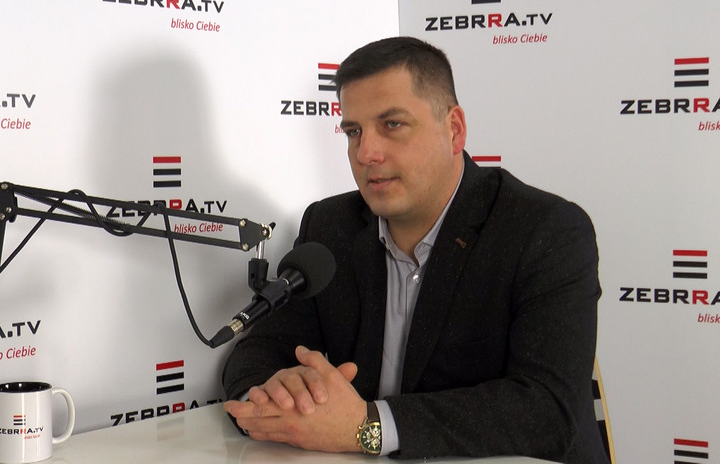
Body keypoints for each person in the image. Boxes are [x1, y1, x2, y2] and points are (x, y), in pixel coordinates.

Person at [222, 36, 608, 463]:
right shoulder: (329, 226)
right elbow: (260, 351)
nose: (366, 153)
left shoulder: (546, 230)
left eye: (392, 124)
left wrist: (368, 426)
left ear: (454, 129)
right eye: (353, 131)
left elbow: (546, 411)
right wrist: (276, 393)